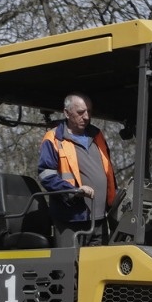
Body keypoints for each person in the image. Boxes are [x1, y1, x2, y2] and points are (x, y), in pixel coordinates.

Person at [37, 92, 117, 247]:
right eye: (80, 112)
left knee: (100, 262)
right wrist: (74, 191)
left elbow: (109, 172)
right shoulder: (53, 138)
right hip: (70, 220)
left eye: (89, 112)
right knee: (71, 261)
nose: (86, 117)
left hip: (99, 220)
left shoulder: (97, 136)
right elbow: (46, 175)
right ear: (67, 113)